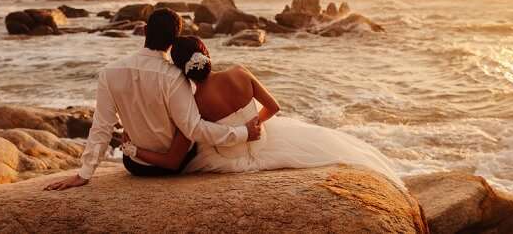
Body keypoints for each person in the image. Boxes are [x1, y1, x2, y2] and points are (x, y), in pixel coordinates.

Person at [124, 35, 405, 191]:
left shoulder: (192, 101)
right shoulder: (240, 73)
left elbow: (181, 149)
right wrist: (254, 123)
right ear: (206, 53)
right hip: (264, 142)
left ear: (180, 68)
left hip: (230, 160)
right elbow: (274, 107)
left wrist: (135, 149)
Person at [44, 9, 261, 191]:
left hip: (137, 165)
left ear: (145, 31)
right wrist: (243, 132)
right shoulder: (175, 76)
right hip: (175, 165)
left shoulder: (110, 72)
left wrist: (84, 174)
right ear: (175, 39)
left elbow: (102, 126)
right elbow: (193, 129)